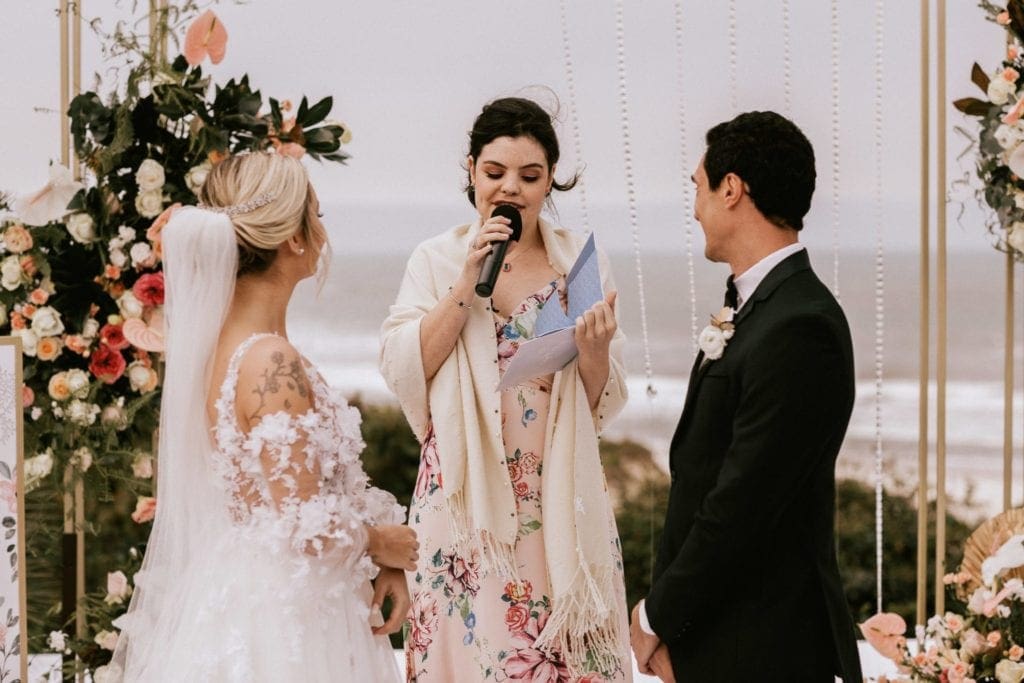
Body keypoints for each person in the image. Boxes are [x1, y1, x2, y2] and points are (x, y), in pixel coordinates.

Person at [111, 152, 418, 682]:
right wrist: (380, 541)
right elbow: (303, 523)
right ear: (295, 238)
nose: (323, 230)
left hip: (249, 595)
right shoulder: (270, 361)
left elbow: (300, 495)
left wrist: (381, 546)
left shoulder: (223, 350)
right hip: (291, 620)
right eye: (316, 214)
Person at [380, 96, 632, 682]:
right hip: (466, 500)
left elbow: (603, 400)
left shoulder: (579, 262)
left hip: (557, 490)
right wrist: (467, 284)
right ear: (471, 171)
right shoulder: (438, 258)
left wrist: (594, 351)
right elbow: (403, 364)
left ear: (550, 182)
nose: (511, 188)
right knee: (475, 652)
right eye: (495, 174)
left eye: (530, 176)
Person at [629, 111, 864, 683]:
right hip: (719, 635)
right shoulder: (757, 307)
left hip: (763, 647)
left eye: (698, 187)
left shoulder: (800, 326)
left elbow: (742, 504)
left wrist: (657, 615)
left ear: (731, 189)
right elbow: (700, 475)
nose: (694, 208)